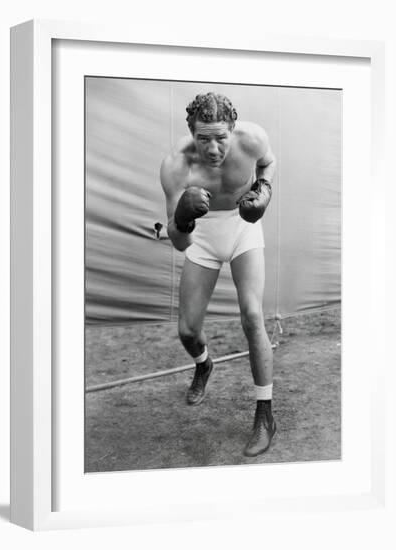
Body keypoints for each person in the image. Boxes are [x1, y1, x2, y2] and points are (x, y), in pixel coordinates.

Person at [160, 92, 277, 457]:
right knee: (188, 330)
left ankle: (265, 415)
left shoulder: (253, 138)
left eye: (220, 137)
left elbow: (268, 163)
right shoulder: (176, 166)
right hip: (203, 233)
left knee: (253, 314)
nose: (213, 148)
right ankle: (203, 364)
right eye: (203, 138)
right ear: (191, 132)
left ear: (233, 129)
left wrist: (264, 189)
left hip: (243, 227)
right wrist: (182, 217)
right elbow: (180, 242)